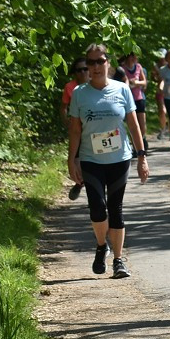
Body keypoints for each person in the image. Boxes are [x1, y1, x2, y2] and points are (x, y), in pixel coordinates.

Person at [68, 44, 150, 279]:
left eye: (99, 61)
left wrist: (142, 157)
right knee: (97, 208)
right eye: (90, 63)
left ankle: (118, 260)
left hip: (119, 158)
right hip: (91, 159)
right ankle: (101, 245)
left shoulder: (122, 89)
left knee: (116, 209)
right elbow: (75, 130)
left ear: (108, 63)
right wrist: (72, 160)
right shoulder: (80, 94)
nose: (94, 67)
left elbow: (134, 125)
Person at [61, 57, 89, 200]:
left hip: (92, 130)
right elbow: (64, 107)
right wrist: (68, 122)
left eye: (86, 69)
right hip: (77, 130)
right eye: (79, 70)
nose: (83, 72)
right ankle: (79, 183)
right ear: (75, 72)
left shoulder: (95, 85)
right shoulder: (70, 87)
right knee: (77, 162)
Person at [120, 52, 149, 152]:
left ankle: (142, 140)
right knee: (131, 124)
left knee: (142, 123)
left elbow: (144, 82)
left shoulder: (138, 67)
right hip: (128, 100)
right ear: (128, 57)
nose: (134, 58)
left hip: (139, 98)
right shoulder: (122, 69)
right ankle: (136, 147)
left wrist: (136, 82)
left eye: (136, 57)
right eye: (132, 56)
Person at [151, 49, 169, 140]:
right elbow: (153, 78)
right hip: (160, 91)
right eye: (160, 56)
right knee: (162, 111)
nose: (161, 58)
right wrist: (156, 77)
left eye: (163, 56)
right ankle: (163, 129)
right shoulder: (156, 66)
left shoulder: (169, 65)